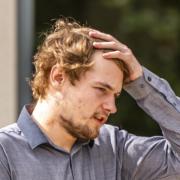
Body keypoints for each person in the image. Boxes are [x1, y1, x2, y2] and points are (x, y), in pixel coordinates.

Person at [0, 18, 180, 180]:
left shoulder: (115, 149)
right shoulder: (5, 153)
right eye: (101, 89)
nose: (112, 107)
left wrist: (140, 83)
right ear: (58, 77)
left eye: (115, 95)